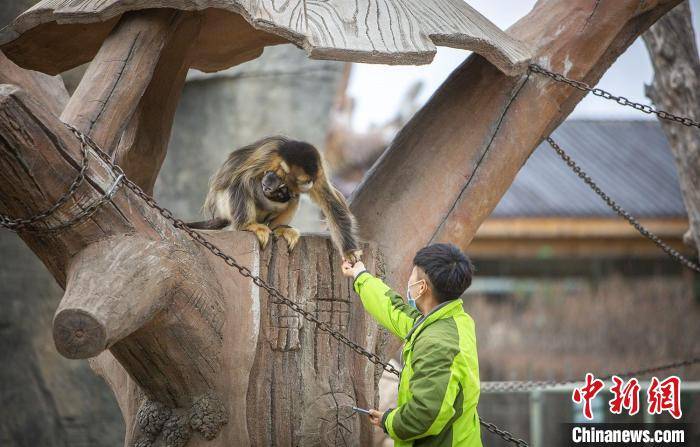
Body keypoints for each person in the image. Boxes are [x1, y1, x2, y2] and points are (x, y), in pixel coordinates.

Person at [341, 243, 481, 447]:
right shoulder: (452, 321)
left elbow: (424, 416)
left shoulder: (437, 344)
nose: (409, 281)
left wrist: (388, 420)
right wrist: (361, 275)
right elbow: (393, 309)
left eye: (413, 275)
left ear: (422, 287)